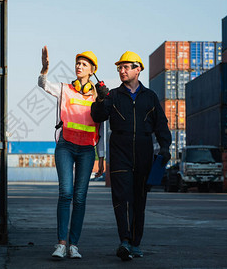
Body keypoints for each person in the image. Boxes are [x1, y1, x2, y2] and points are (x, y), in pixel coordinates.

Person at [91, 51, 171, 261]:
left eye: (126, 67)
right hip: (120, 152)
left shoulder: (150, 97)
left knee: (139, 199)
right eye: (119, 68)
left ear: (138, 69)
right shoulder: (113, 96)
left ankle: (135, 243)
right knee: (121, 198)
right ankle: (125, 241)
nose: (121, 71)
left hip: (144, 152)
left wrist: (165, 147)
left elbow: (161, 125)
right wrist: (100, 99)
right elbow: (98, 116)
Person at [38, 46, 108, 259]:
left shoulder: (99, 97)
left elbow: (102, 128)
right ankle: (61, 243)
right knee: (65, 193)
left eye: (84, 64)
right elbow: (42, 85)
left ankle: (74, 245)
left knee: (80, 197)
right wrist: (44, 69)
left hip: (87, 149)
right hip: (66, 147)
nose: (79, 66)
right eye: (78, 63)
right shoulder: (64, 89)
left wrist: (102, 157)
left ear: (92, 70)